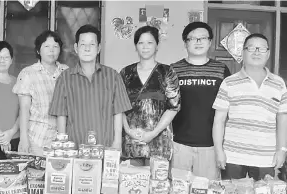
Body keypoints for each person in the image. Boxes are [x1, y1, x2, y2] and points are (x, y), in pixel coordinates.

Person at [213, 33, 287, 180]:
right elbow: (219, 120)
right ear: (243, 53)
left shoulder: (278, 84)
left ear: (268, 54)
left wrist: (282, 150)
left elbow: (282, 119)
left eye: (261, 49)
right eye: (251, 48)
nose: (256, 52)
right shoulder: (229, 82)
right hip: (233, 155)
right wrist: (218, 151)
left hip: (266, 157)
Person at [49, 24, 132, 148]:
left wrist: (118, 142)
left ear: (98, 48)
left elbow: (118, 112)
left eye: (92, 44)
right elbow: (61, 115)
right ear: (76, 48)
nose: (87, 49)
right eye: (83, 44)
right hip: (75, 148)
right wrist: (63, 145)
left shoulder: (113, 76)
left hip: (106, 147)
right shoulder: (64, 78)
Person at [171, 22, 231, 179]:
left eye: (202, 38)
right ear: (185, 43)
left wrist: (221, 148)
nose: (198, 42)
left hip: (210, 146)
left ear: (210, 42)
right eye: (192, 38)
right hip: (179, 144)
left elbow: (228, 109)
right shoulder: (174, 70)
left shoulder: (221, 70)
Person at [120, 26, 181, 166]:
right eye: (140, 43)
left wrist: (152, 134)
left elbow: (173, 107)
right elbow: (119, 106)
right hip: (131, 142)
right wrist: (128, 131)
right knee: (131, 183)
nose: (145, 47)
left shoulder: (167, 72)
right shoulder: (125, 73)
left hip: (159, 143)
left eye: (150, 42)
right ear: (136, 46)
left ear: (157, 46)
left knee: (157, 185)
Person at [13, 30, 68, 155]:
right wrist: (23, 139)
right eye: (47, 46)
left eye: (55, 46)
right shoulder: (28, 73)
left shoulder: (66, 72)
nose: (51, 50)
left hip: (62, 139)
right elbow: (24, 109)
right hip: (37, 138)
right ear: (38, 50)